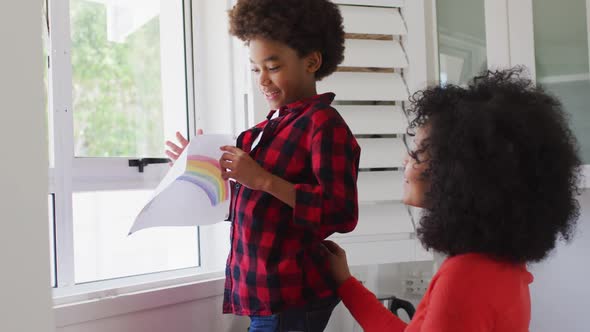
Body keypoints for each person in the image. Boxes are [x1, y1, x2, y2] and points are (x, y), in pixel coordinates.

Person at [322, 69, 581, 332]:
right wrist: (346, 284)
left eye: (417, 154)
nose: (405, 161)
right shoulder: (505, 267)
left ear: (458, 174)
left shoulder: (464, 276)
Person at [166, 0, 360, 331]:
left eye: (273, 67)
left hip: (292, 295)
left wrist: (264, 180)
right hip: (265, 293)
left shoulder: (323, 125)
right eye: (256, 69)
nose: (263, 80)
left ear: (312, 61)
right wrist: (197, 165)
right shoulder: (259, 132)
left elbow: (341, 213)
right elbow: (244, 204)